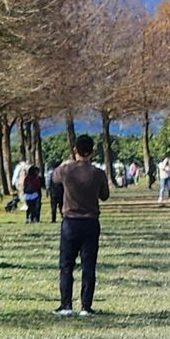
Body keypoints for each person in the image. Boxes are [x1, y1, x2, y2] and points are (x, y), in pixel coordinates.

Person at [53, 134, 110, 317]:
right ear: (92, 152)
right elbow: (105, 196)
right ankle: (86, 306)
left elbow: (54, 179)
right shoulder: (98, 173)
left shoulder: (66, 171)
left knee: (66, 265)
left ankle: (66, 305)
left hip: (70, 222)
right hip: (91, 222)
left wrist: (63, 164)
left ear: (75, 150)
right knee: (88, 265)